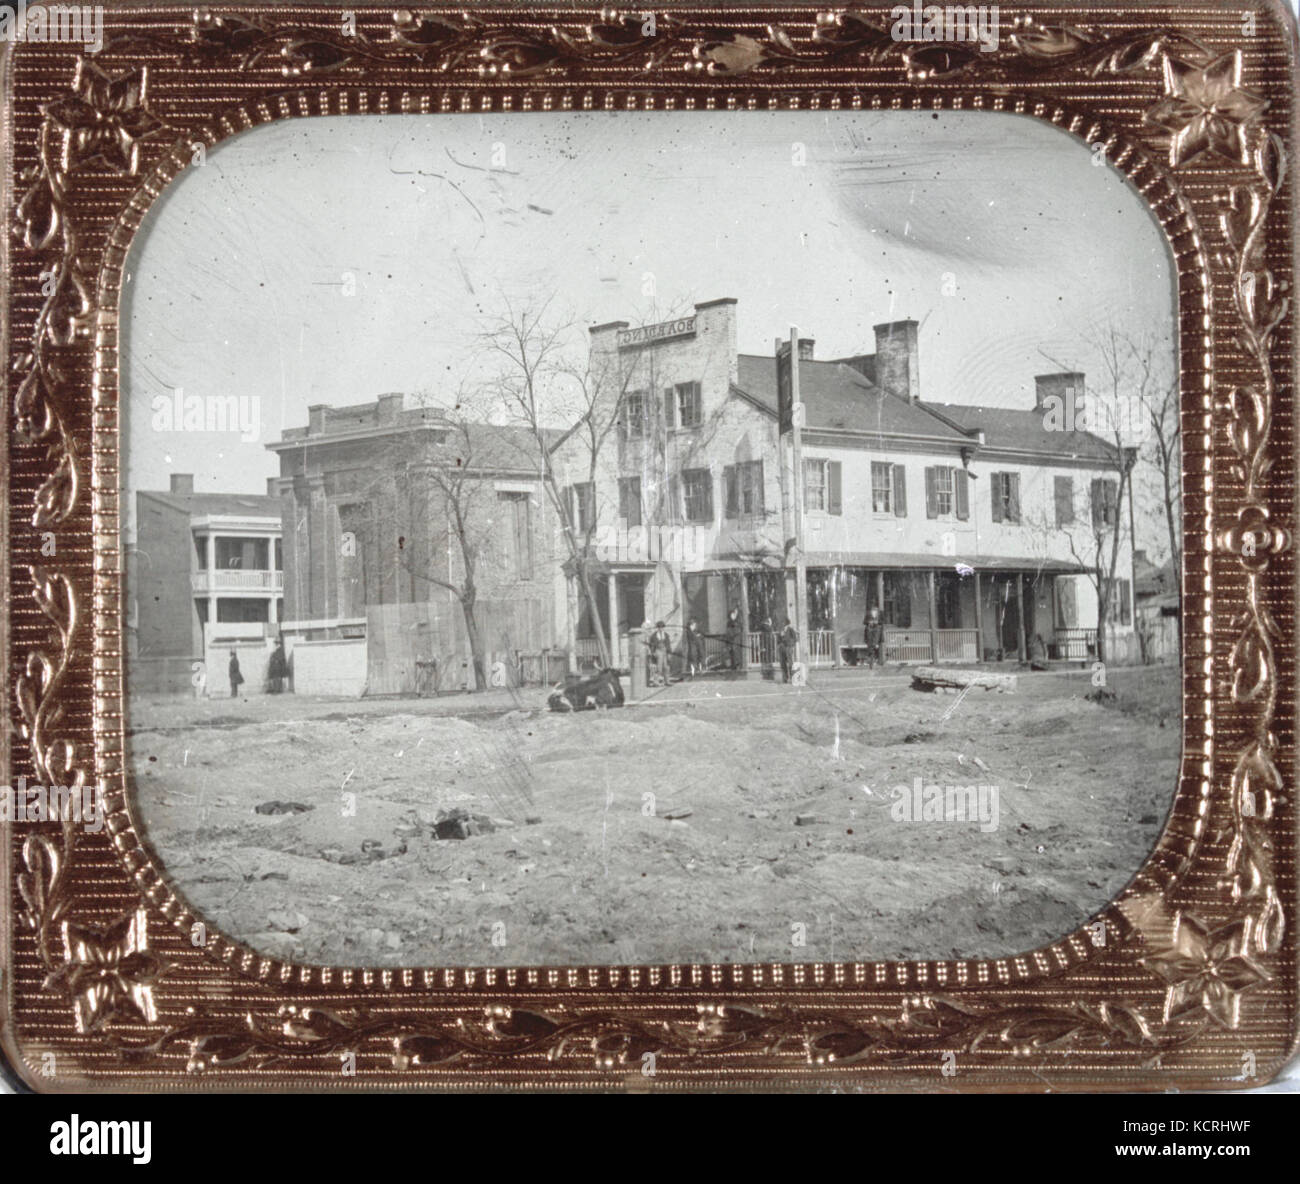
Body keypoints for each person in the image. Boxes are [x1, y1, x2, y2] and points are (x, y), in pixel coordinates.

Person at [647, 621, 672, 687]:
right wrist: (653, 652)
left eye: (662, 627)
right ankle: (656, 682)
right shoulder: (654, 636)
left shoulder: (666, 635)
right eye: (659, 627)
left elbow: (668, 644)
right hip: (658, 651)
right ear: (657, 628)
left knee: (666, 667)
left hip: (665, 651)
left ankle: (667, 681)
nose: (661, 629)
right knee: (659, 667)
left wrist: (669, 653)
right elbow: (651, 645)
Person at [777, 618, 799, 683]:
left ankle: (793, 678)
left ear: (787, 623)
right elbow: (778, 640)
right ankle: (785, 678)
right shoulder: (781, 630)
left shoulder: (791, 629)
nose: (782, 624)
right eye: (782, 623)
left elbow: (795, 639)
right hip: (782, 648)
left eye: (783, 623)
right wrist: (780, 641)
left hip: (788, 648)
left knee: (790, 663)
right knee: (782, 663)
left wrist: (789, 644)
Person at [863, 605, 884, 670]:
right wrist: (869, 622)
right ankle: (871, 660)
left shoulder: (880, 615)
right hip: (870, 632)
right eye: (873, 611)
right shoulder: (868, 615)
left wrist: (877, 622)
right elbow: (864, 622)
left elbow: (882, 622)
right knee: (870, 646)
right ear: (871, 611)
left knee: (875, 646)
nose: (874, 612)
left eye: (875, 611)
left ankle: (875, 658)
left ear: (877, 611)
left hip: (876, 633)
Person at [724, 606, 743, 672]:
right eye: (732, 614)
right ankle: (733, 666)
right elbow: (729, 631)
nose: (733, 615)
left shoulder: (737, 621)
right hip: (731, 639)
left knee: (736, 651)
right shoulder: (729, 622)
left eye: (734, 614)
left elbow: (739, 630)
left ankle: (737, 665)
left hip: (736, 639)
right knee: (731, 652)